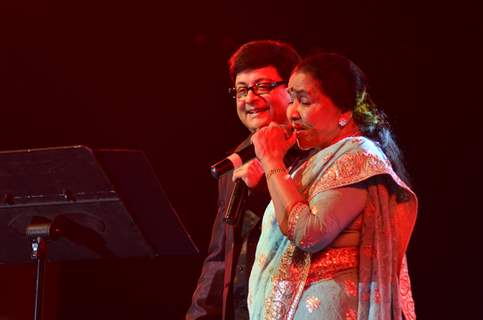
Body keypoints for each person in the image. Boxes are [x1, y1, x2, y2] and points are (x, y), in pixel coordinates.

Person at [248, 53, 417, 319]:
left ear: (344, 111)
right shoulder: (313, 162)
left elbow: (309, 233)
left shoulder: (359, 154)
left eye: (304, 101)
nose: (292, 112)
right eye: (291, 100)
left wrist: (271, 161)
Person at [186, 40, 309, 320]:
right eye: (241, 90)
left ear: (294, 89)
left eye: (263, 87)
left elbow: (312, 232)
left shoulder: (315, 154)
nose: (250, 99)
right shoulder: (235, 163)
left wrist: (266, 186)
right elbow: (219, 258)